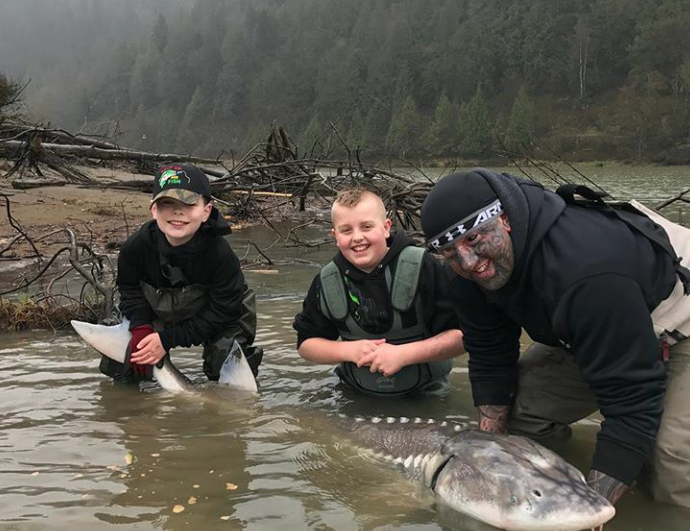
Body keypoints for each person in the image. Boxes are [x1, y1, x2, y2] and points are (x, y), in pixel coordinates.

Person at [420, 168, 690, 508]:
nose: (469, 262)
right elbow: (489, 353)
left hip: (680, 317)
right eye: (450, 252)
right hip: (594, 327)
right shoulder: (464, 273)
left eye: (473, 239)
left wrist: (588, 509)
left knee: (670, 466)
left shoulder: (585, 272)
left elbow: (632, 401)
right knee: (521, 416)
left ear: (504, 219)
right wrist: (486, 457)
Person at [101, 162, 262, 384]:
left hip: (220, 316)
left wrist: (167, 340)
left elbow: (223, 311)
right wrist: (142, 329)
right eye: (168, 203)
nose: (178, 211)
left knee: (230, 369)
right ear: (154, 209)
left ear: (206, 211)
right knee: (127, 357)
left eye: (189, 204)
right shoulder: (134, 248)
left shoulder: (220, 254)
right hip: (161, 312)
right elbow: (130, 292)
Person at [293, 187, 464, 396]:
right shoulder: (327, 280)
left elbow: (463, 336)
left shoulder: (424, 267)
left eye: (366, 227)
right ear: (335, 235)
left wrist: (403, 354)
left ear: (386, 227)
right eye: (346, 230)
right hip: (355, 393)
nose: (357, 238)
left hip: (427, 394)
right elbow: (306, 344)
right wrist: (348, 351)